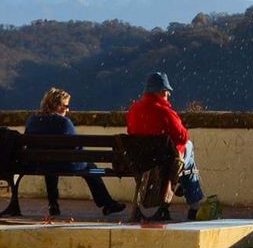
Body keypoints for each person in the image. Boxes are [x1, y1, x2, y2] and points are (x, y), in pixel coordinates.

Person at [25, 87, 126, 217]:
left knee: (50, 165)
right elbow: (77, 149)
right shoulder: (64, 123)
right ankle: (107, 203)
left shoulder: (32, 121)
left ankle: (53, 203)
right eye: (66, 106)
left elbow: (28, 144)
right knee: (91, 168)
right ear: (57, 105)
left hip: (37, 165)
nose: (68, 109)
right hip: (67, 166)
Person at [126, 71, 211, 221]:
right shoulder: (165, 112)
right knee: (189, 150)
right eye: (167, 92)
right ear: (160, 92)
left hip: (140, 163)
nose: (168, 95)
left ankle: (176, 193)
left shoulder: (134, 110)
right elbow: (183, 136)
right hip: (165, 164)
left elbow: (131, 132)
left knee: (183, 160)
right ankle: (194, 206)